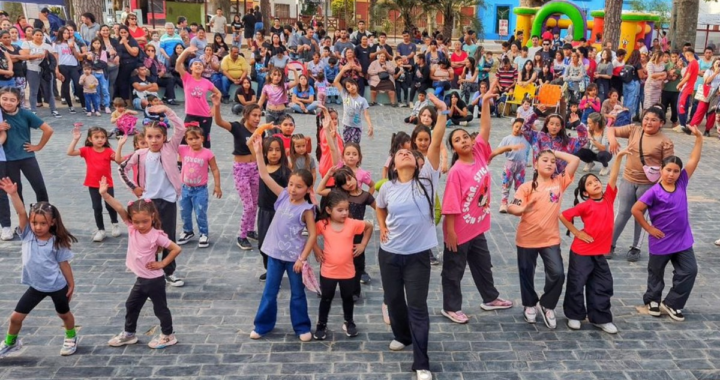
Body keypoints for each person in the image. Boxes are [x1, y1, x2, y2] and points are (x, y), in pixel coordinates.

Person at [376, 89, 447, 380]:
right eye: (400, 153)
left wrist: (441, 110)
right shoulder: (388, 188)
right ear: (393, 164)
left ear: (418, 162)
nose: (406, 153)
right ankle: (402, 335)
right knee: (394, 301)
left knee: (416, 306)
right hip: (389, 255)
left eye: (410, 153)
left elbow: (438, 136)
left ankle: (421, 363)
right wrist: (381, 226)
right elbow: (379, 208)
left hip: (417, 257)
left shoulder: (427, 179)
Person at [441, 86, 514, 325]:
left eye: (465, 137)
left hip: (477, 227)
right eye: (457, 140)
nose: (463, 141)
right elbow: (450, 206)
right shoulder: (456, 172)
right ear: (453, 149)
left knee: (484, 265)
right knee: (454, 271)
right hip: (459, 232)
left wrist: (484, 101)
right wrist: (450, 233)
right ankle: (451, 307)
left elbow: (485, 127)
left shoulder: (480, 153)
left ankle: (490, 298)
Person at [248, 135, 316, 341]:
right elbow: (264, 175)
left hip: (294, 258)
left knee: (297, 293)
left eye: (298, 186)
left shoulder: (307, 209)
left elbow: (313, 235)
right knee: (270, 291)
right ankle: (262, 325)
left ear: (307, 189)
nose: (293, 189)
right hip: (274, 254)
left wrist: (302, 259)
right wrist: (259, 153)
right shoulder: (284, 196)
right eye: (291, 184)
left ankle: (302, 327)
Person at [632, 126, 703, 322]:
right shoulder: (654, 191)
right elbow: (636, 209)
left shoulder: (681, 183)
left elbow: (693, 160)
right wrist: (648, 228)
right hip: (661, 239)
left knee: (689, 270)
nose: (671, 174)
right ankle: (652, 299)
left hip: (682, 239)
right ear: (661, 170)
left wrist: (699, 139)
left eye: (675, 171)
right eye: (668, 170)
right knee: (656, 273)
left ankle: (673, 303)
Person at [0, 179, 78, 358]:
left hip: (56, 286)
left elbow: (64, 264)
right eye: (35, 223)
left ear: (52, 223)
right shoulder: (27, 234)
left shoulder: (57, 242)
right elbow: (20, 212)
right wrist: (12, 193)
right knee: (15, 318)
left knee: (64, 315)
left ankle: (71, 337)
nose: (38, 227)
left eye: (43, 223)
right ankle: (11, 342)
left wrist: (71, 284)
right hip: (35, 286)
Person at [101, 178, 182, 349]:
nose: (140, 225)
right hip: (142, 279)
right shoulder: (131, 227)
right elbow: (119, 208)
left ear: (152, 217)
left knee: (160, 309)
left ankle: (168, 335)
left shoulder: (156, 235)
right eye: (136, 221)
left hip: (153, 280)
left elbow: (175, 248)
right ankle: (129, 334)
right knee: (131, 305)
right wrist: (105, 194)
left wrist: (163, 264)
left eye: (144, 221)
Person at [508, 149, 581, 329]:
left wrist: (553, 151)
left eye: (553, 161)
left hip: (550, 239)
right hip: (527, 238)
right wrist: (523, 210)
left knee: (557, 273)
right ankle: (529, 304)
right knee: (526, 274)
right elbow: (512, 207)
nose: (550, 163)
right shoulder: (526, 187)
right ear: (535, 164)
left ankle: (547, 304)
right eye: (545, 160)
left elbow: (575, 159)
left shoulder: (559, 182)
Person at [559, 150, 628, 334]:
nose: (595, 184)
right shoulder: (584, 205)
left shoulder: (608, 199)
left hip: (599, 253)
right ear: (585, 192)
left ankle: (600, 318)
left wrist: (619, 156)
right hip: (581, 252)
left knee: (603, 284)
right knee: (576, 283)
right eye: (589, 183)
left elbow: (613, 177)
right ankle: (574, 315)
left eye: (596, 181)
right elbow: (564, 215)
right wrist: (576, 233)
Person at [118, 106, 186, 287]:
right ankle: (149, 273)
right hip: (148, 202)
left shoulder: (170, 148)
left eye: (158, 136)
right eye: (149, 136)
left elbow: (181, 128)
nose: (154, 140)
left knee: (168, 236)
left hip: (168, 200)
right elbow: (121, 168)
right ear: (144, 138)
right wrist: (134, 187)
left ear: (164, 137)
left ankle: (168, 271)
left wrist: (167, 110)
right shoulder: (140, 154)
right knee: (149, 238)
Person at [606, 105, 675, 261]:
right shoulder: (634, 130)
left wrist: (660, 186)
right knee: (622, 213)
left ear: (661, 123)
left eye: (653, 120)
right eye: (646, 119)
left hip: (649, 185)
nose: (648, 122)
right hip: (628, 179)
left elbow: (669, 166)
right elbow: (611, 129)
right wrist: (612, 140)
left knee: (641, 215)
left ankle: (636, 247)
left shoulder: (665, 142)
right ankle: (610, 244)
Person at [312, 190, 373, 339]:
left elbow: (369, 227)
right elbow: (311, 233)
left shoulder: (352, 224)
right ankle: (322, 323)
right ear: (328, 210)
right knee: (326, 298)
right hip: (328, 271)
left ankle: (349, 321)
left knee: (348, 298)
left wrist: (363, 244)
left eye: (346, 209)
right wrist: (316, 249)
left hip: (348, 271)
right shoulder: (323, 224)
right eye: (340, 210)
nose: (344, 213)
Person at [0, 87, 53, 242]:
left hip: (27, 157)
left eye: (12, 99)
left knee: (40, 188)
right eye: (4, 99)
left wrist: (38, 146)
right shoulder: (0, 116)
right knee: (17, 193)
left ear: (18, 101)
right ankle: (23, 224)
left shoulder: (25, 114)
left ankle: (46, 219)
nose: (8, 102)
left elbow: (48, 130)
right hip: (9, 160)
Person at [212, 98, 262, 252]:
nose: (257, 118)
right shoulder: (237, 127)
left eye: (259, 115)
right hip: (241, 169)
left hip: (255, 168)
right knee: (248, 205)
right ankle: (241, 236)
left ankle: (250, 230)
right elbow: (219, 122)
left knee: (255, 203)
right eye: (254, 115)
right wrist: (217, 106)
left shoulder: (261, 131)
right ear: (247, 115)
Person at [66, 124, 120, 241]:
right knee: (97, 207)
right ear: (90, 139)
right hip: (93, 184)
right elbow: (70, 152)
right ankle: (101, 230)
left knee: (110, 205)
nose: (100, 139)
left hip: (107, 184)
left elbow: (119, 160)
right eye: (96, 137)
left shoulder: (108, 151)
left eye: (102, 137)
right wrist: (75, 139)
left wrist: (120, 147)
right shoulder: (86, 150)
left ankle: (115, 224)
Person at [177, 127, 222, 248]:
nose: (194, 141)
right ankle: (187, 231)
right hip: (184, 188)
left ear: (202, 138)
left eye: (197, 138)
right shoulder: (183, 150)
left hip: (200, 190)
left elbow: (214, 169)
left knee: (200, 212)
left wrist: (217, 185)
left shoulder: (208, 153)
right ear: (186, 140)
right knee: (184, 212)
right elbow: (171, 143)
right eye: (190, 139)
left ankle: (203, 233)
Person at [174, 46, 221, 147]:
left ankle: (206, 160)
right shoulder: (187, 78)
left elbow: (218, 93)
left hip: (205, 115)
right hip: (191, 114)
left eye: (200, 64)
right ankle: (181, 161)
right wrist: (186, 51)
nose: (198, 66)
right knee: (185, 138)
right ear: (191, 67)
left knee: (205, 139)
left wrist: (214, 108)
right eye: (195, 64)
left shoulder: (206, 82)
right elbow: (178, 64)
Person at [21, 28, 60, 117]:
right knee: (33, 91)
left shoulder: (47, 46)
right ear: (33, 35)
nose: (39, 37)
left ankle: (53, 109)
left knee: (49, 91)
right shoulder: (27, 44)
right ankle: (33, 110)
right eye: (37, 35)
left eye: (41, 35)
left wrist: (55, 69)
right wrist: (37, 56)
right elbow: (25, 56)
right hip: (32, 70)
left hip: (46, 71)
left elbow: (54, 59)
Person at [496, 118, 530, 213]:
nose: (518, 129)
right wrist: (508, 148)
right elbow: (499, 150)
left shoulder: (525, 138)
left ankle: (517, 203)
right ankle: (504, 203)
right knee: (506, 184)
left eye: (520, 128)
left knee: (519, 186)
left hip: (521, 165)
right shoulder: (506, 139)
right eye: (516, 126)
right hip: (509, 164)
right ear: (512, 126)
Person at [333, 65, 373, 143]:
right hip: (346, 125)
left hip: (357, 127)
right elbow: (335, 82)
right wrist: (343, 70)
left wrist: (370, 125)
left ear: (356, 85)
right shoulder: (345, 95)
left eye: (352, 84)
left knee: (355, 146)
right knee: (347, 146)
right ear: (346, 89)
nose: (351, 87)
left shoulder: (363, 100)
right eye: (348, 86)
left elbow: (366, 114)